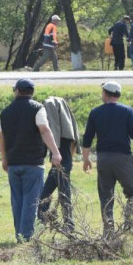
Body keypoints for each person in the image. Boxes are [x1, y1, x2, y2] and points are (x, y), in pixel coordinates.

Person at [0, 79, 62, 242]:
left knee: (17, 200)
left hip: (13, 162)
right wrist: (55, 152)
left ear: (18, 91)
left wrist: (4, 158)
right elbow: (44, 129)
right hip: (33, 163)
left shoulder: (5, 112)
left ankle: (19, 234)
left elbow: (1, 136)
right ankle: (26, 236)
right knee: (31, 201)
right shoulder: (37, 108)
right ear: (31, 92)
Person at [82, 82, 133, 236]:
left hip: (103, 159)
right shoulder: (127, 111)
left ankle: (108, 232)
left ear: (106, 93)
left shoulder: (95, 112)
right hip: (123, 158)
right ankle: (129, 225)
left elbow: (87, 139)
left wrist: (86, 159)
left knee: (106, 196)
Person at [37, 96, 80, 230]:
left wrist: (53, 150)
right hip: (63, 157)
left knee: (63, 192)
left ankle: (68, 224)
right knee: (47, 193)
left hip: (60, 158)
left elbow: (53, 127)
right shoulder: (67, 131)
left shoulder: (49, 105)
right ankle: (42, 221)